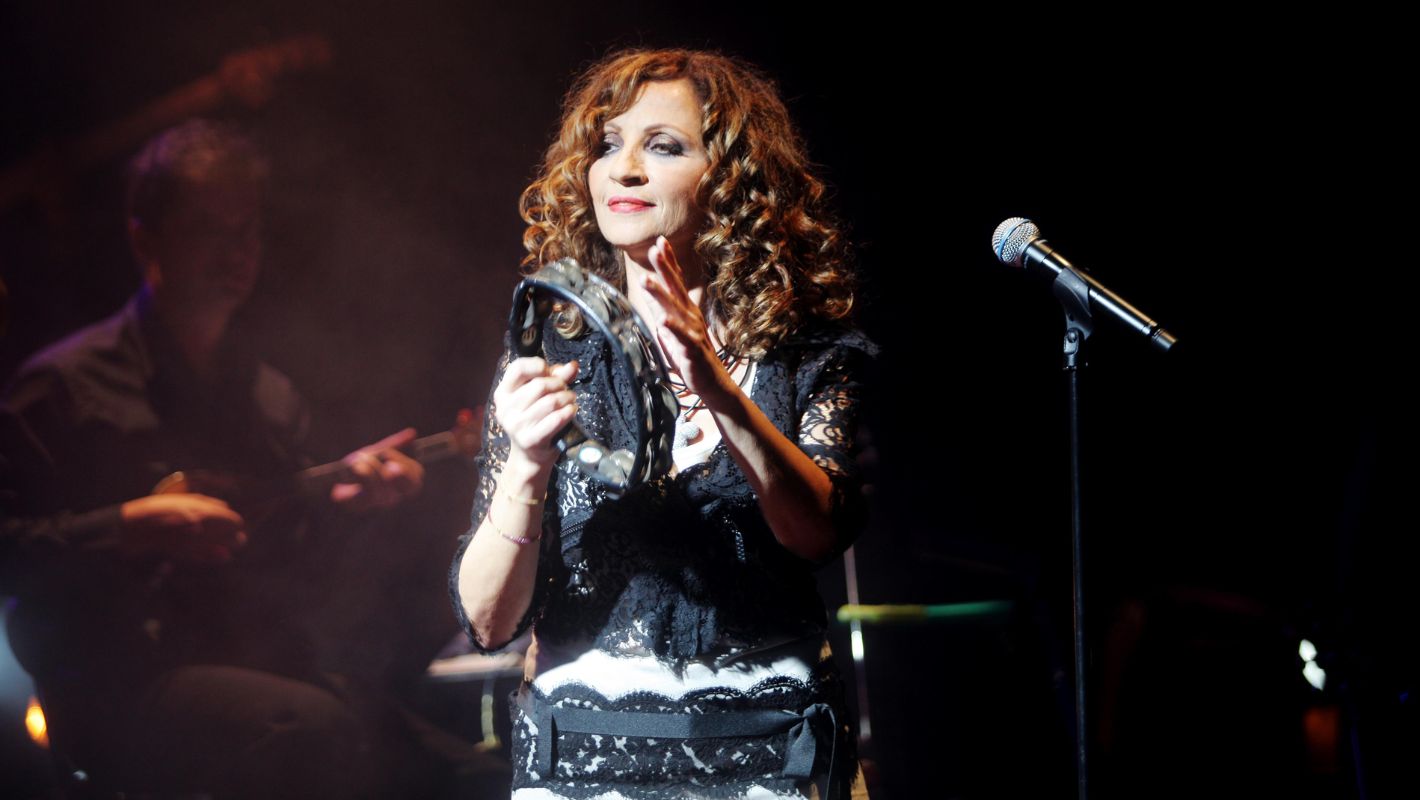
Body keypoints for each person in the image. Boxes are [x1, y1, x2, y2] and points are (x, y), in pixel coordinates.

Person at [0, 119, 482, 798]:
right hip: (119, 687)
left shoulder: (268, 397)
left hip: (251, 661)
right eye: (208, 229)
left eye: (246, 231)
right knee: (314, 733)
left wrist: (351, 507)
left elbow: (301, 571)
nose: (235, 252)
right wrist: (127, 525)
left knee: (456, 769)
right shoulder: (63, 387)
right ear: (146, 239)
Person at [451, 49, 875, 799]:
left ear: (731, 179)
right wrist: (526, 462)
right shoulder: (552, 352)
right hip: (584, 763)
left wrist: (714, 382)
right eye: (608, 145)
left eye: (664, 146)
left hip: (769, 759)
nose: (624, 170)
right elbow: (489, 623)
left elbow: (817, 534)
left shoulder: (804, 353)